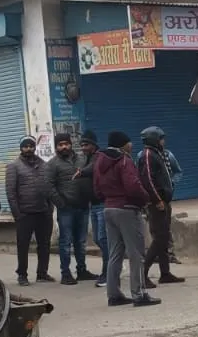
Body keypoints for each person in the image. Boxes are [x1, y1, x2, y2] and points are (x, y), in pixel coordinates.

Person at [93, 131, 159, 308]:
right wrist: (145, 199)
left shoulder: (100, 161)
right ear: (123, 144)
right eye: (128, 142)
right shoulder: (124, 160)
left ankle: (113, 294)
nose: (131, 145)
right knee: (136, 253)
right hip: (127, 209)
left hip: (108, 208)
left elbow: (97, 187)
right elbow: (133, 186)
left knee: (115, 253)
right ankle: (139, 294)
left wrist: (108, 198)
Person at [137, 126, 184, 286]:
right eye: (161, 138)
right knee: (160, 238)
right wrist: (157, 200)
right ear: (154, 139)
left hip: (163, 202)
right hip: (157, 204)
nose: (163, 141)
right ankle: (142, 273)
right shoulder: (148, 155)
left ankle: (165, 273)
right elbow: (148, 181)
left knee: (163, 238)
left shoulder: (158, 154)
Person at [5, 136, 54, 285]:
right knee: (23, 245)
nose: (28, 149)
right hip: (25, 213)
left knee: (44, 244)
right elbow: (10, 192)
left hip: (43, 212)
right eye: (25, 146)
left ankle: (42, 273)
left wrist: (49, 208)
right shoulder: (14, 166)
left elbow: (49, 188)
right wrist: (17, 214)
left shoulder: (44, 165)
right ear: (21, 148)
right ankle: (22, 274)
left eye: (31, 146)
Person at [46, 132, 94, 285]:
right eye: (60, 144)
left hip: (83, 206)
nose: (64, 146)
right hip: (66, 209)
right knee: (65, 241)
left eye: (66, 143)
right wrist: (60, 203)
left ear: (71, 144)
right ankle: (65, 273)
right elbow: (49, 186)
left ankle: (82, 270)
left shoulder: (82, 159)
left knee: (80, 241)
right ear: (56, 147)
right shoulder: (53, 164)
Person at [78, 131, 110, 287]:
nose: (84, 148)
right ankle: (112, 266)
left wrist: (81, 172)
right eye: (82, 145)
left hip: (102, 204)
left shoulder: (99, 156)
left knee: (103, 239)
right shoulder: (87, 158)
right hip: (94, 205)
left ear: (94, 145)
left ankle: (108, 272)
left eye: (86, 144)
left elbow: (93, 168)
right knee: (98, 239)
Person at [163, 146, 184, 264]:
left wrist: (170, 183)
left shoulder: (167, 155)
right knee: (156, 230)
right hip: (151, 200)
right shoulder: (142, 156)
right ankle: (159, 254)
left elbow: (177, 172)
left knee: (166, 227)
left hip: (165, 198)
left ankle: (169, 253)